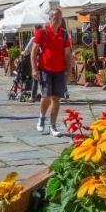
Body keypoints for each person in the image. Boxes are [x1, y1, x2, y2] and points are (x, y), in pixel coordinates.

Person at [31, 8, 74, 137]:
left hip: (59, 70)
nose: (58, 20)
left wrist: (69, 71)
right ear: (50, 19)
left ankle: (53, 126)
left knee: (56, 98)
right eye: (55, 18)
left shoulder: (64, 34)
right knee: (46, 97)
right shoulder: (42, 32)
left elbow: (67, 54)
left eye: (60, 18)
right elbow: (33, 52)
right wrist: (34, 69)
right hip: (45, 69)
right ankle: (42, 117)